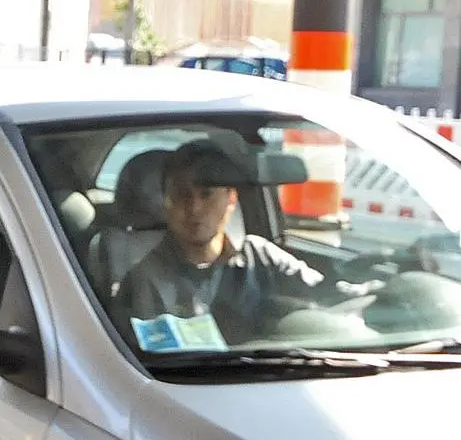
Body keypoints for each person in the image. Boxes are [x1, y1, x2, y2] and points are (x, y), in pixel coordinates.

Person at [115, 137, 376, 346]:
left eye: (207, 194)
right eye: (181, 195)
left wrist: (379, 288)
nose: (194, 207)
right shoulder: (145, 280)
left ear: (231, 199)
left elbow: (326, 294)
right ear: (166, 203)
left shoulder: (260, 256)